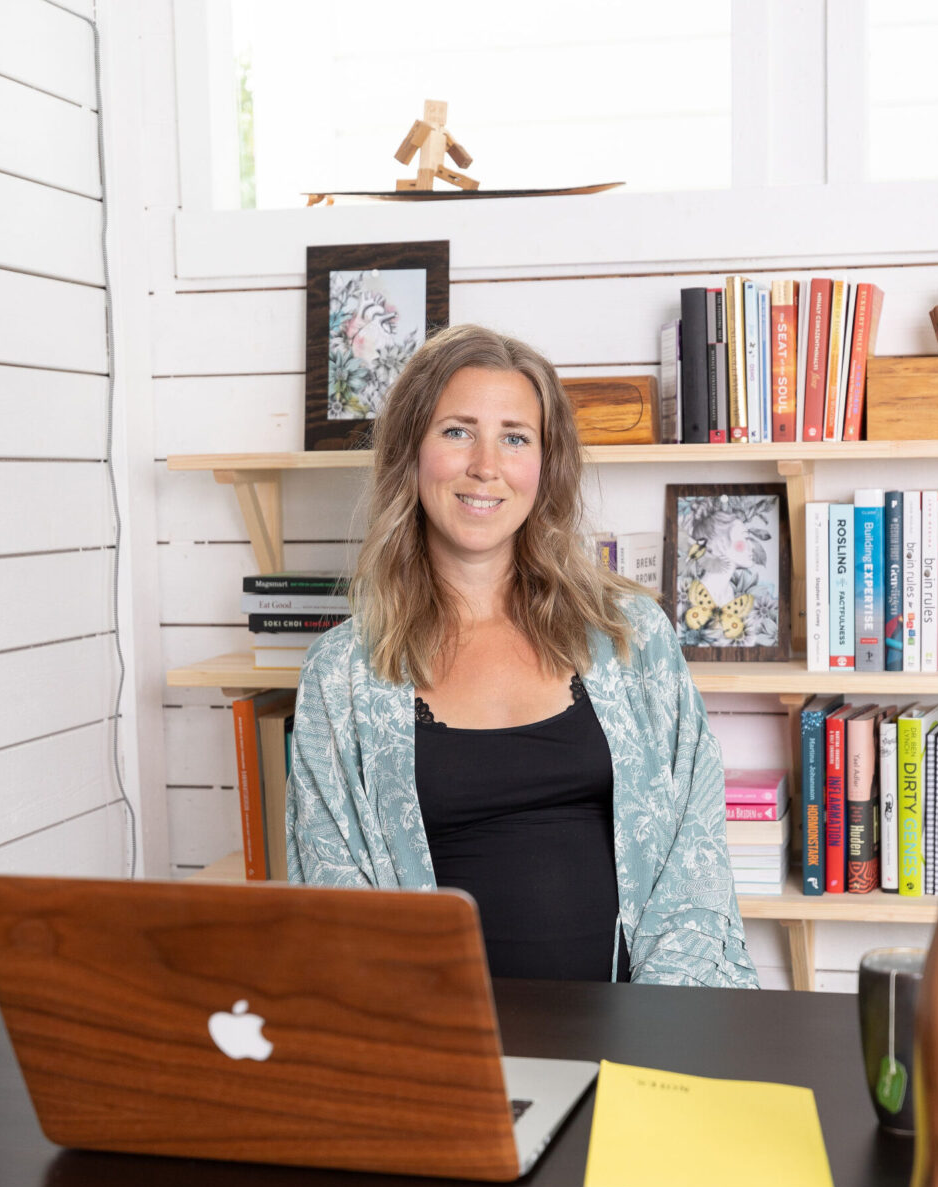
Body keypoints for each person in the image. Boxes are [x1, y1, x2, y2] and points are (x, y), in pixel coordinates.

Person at [287, 322, 757, 989]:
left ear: (545, 464)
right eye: (456, 431)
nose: (486, 465)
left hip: (640, 1034)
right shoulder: (341, 675)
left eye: (514, 437)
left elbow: (694, 862)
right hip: (438, 1048)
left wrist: (657, 1034)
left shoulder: (633, 637)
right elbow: (333, 903)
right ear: (410, 453)